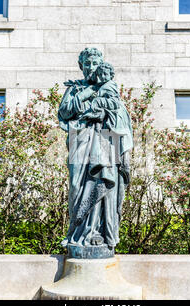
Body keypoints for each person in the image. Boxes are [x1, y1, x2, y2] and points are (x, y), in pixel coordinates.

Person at [58, 48, 133, 256]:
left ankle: (97, 233)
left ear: (100, 65)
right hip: (79, 139)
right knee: (76, 185)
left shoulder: (108, 87)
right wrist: (85, 94)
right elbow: (65, 111)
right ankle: (77, 232)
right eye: (87, 64)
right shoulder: (74, 89)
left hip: (105, 140)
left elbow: (121, 115)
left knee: (101, 182)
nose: (90, 67)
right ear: (81, 66)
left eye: (94, 63)